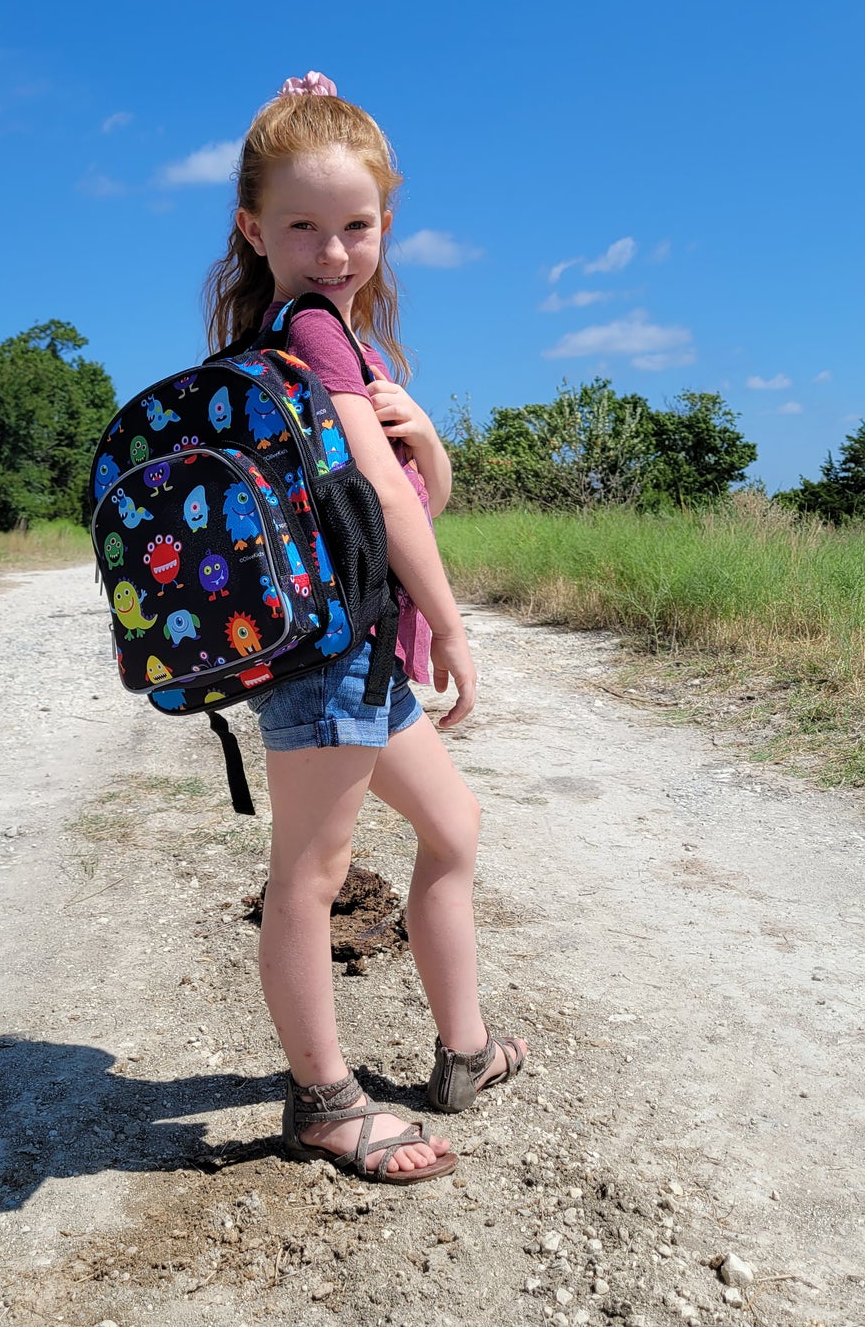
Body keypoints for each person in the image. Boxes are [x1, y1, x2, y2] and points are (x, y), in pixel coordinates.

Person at [202, 71, 526, 1185]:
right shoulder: (312, 331)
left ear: (387, 220)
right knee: (310, 873)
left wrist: (426, 438)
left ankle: (465, 1049)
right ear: (252, 229)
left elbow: (410, 489)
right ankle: (323, 1100)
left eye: (355, 224)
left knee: (453, 826)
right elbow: (386, 503)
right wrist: (453, 623)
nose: (333, 250)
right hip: (331, 653)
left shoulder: (327, 337)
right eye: (301, 225)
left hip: (359, 649)